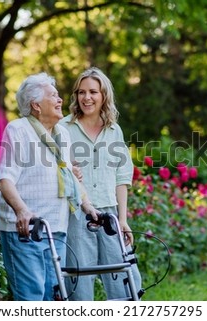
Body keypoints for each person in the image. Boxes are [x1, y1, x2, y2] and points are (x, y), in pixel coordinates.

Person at [0, 72, 97, 301]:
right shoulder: (18, 130)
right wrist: (21, 209)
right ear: (36, 105)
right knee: (32, 297)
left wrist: (88, 206)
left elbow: (69, 174)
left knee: (53, 296)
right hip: (25, 229)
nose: (60, 100)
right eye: (53, 96)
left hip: (56, 229)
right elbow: (5, 178)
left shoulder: (62, 134)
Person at [59, 67, 142, 300]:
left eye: (93, 92)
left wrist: (122, 219)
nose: (87, 98)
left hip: (109, 214)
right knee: (79, 282)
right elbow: (56, 169)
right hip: (76, 214)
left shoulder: (114, 131)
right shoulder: (63, 128)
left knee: (124, 282)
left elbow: (122, 178)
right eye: (81, 92)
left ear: (104, 95)